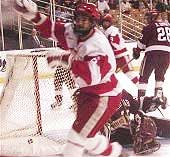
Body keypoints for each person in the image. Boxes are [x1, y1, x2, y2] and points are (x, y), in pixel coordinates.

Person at [14, 1, 124, 157]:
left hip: (104, 96)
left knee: (76, 138)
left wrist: (64, 57)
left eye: (85, 20)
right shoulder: (73, 31)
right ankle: (114, 152)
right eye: (78, 18)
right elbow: (52, 29)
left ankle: (112, 152)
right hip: (89, 94)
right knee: (86, 137)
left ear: (93, 22)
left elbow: (91, 77)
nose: (80, 22)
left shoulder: (97, 44)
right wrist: (32, 15)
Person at [133, 9, 170, 110]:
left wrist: (136, 51)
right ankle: (158, 95)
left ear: (152, 18)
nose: (147, 20)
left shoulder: (149, 27)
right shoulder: (168, 26)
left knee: (144, 76)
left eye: (148, 18)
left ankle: (140, 101)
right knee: (160, 75)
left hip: (152, 53)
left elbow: (142, 43)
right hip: (167, 54)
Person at [101, 13, 138, 100]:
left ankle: (142, 90)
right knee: (107, 76)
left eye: (107, 22)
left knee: (130, 75)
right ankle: (114, 94)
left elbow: (112, 44)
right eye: (104, 22)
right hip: (114, 58)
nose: (105, 24)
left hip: (122, 56)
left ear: (110, 23)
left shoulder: (112, 31)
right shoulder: (106, 31)